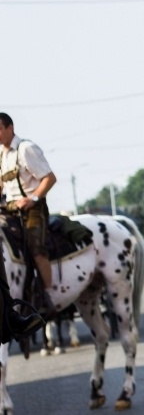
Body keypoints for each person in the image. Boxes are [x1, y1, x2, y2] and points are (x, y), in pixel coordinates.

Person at [0, 112, 57, 323]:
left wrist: (32, 199)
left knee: (35, 246)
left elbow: (50, 178)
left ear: (10, 128)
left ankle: (48, 297)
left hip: (33, 208)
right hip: (10, 207)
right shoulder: (1, 154)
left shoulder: (26, 149)